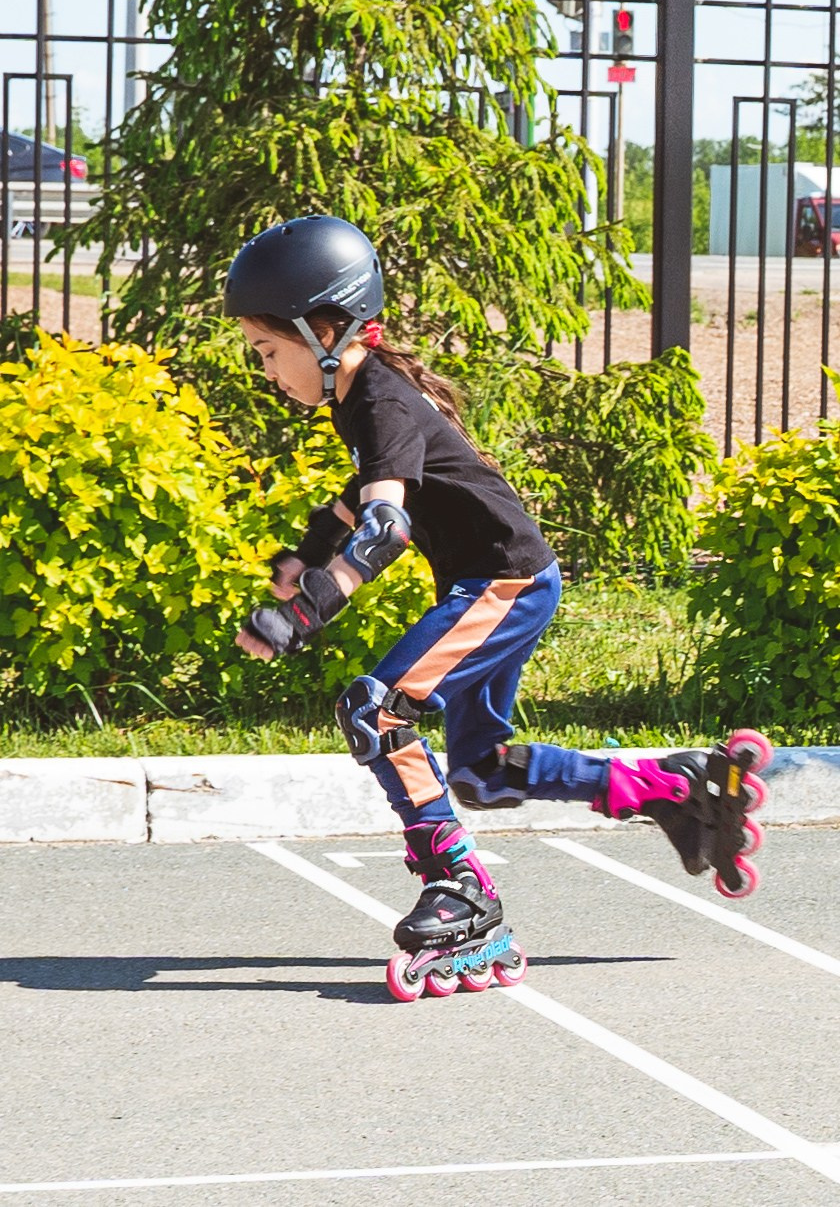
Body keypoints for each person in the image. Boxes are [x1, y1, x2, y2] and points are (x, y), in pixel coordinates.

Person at [224, 214, 769, 963]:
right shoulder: (365, 395)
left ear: (327, 332)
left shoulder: (378, 398)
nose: (265, 371)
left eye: (268, 350)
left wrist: (312, 603)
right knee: (481, 770)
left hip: (504, 584)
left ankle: (462, 887)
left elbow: (385, 529)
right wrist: (307, 554)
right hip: (504, 581)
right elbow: (368, 494)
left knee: (374, 709)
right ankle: (672, 789)